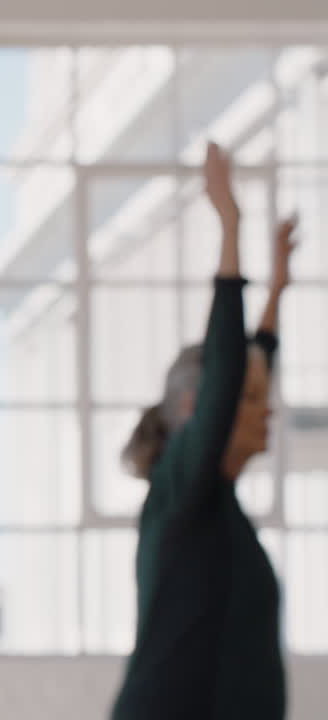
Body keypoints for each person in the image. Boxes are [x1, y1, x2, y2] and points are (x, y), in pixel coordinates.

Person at [111, 142, 296, 720]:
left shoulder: (219, 506)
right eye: (249, 401)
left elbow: (246, 366)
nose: (266, 413)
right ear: (196, 407)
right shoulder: (178, 494)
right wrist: (231, 230)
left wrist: (276, 296)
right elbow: (228, 375)